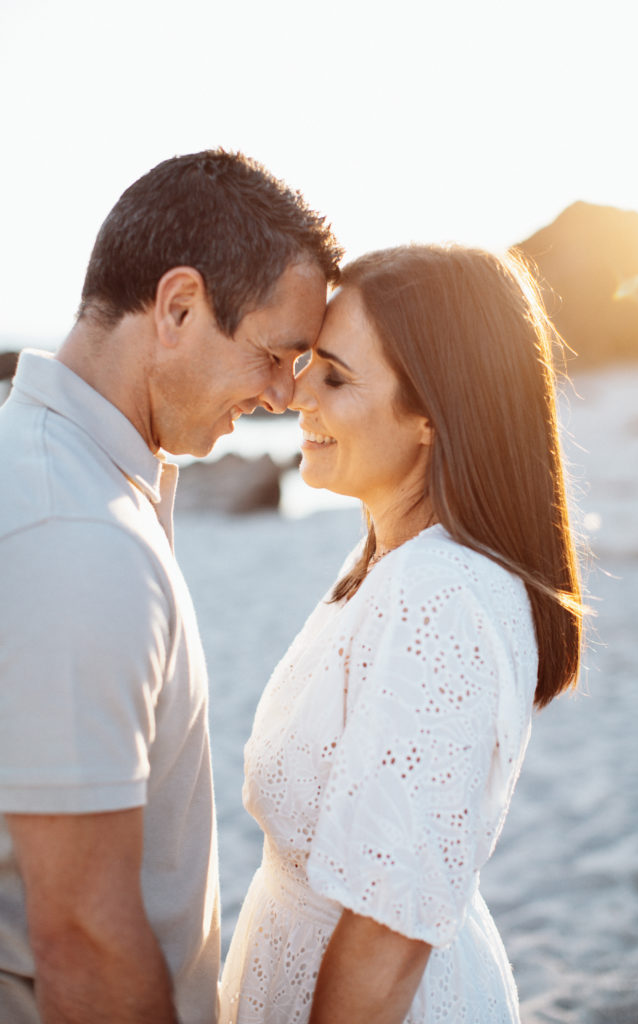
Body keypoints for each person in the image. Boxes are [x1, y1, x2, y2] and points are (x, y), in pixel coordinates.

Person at [0, 149, 341, 1024]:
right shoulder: (75, 533)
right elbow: (84, 936)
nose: (279, 394)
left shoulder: (72, 480)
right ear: (178, 307)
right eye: (274, 353)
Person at [219, 244, 584, 1023]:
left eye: (335, 376)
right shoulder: (388, 560)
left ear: (430, 413)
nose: (294, 392)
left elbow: (386, 942)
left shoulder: (438, 596)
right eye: (308, 360)